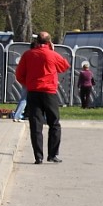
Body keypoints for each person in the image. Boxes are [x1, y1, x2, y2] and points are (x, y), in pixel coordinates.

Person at [15, 31, 70, 164]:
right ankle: (52, 154)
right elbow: (64, 66)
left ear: (36, 41)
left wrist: (28, 83)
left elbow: (19, 74)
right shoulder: (52, 54)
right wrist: (52, 50)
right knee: (54, 123)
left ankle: (38, 156)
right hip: (49, 92)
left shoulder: (28, 54)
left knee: (35, 124)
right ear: (49, 42)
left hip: (33, 91)